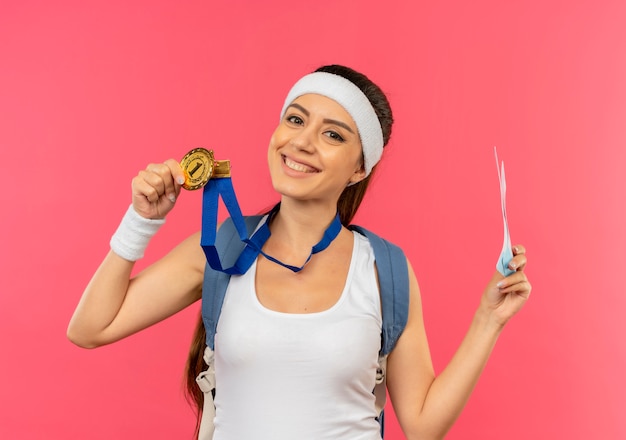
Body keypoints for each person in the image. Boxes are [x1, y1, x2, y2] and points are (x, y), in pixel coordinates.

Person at [67, 64, 531, 440]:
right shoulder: (222, 247)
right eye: (295, 119)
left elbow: (424, 425)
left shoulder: (383, 268)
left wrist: (487, 320)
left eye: (333, 135)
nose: (302, 142)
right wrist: (142, 220)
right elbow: (90, 329)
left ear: (358, 169)